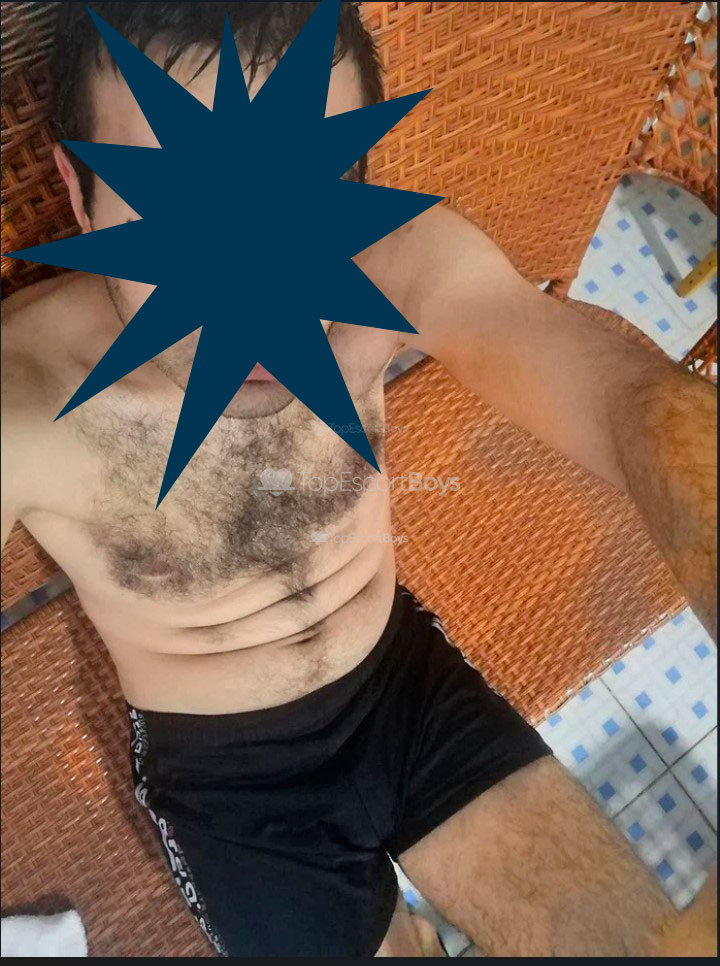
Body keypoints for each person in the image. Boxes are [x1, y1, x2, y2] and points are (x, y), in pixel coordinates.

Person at [1, 2, 716, 957]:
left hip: (406, 684)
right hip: (232, 787)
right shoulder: (25, 395)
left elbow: (631, 404)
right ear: (80, 193)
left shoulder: (397, 264)